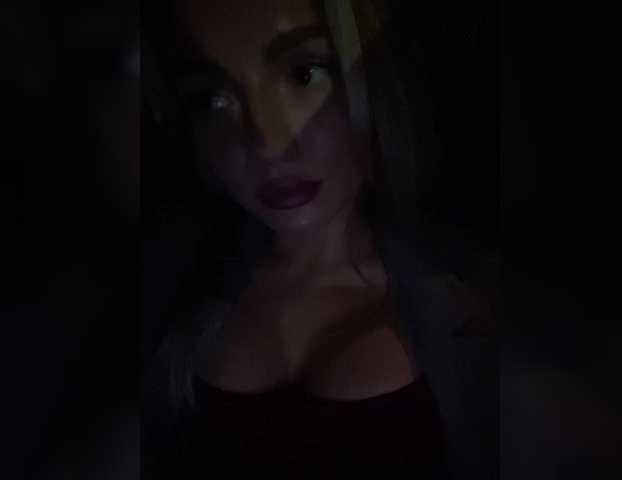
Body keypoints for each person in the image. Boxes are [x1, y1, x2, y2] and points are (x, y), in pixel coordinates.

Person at [142, 1, 497, 478]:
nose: (267, 143)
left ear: (371, 77)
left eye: (304, 74)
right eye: (213, 99)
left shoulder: (475, 290)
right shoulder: (170, 282)